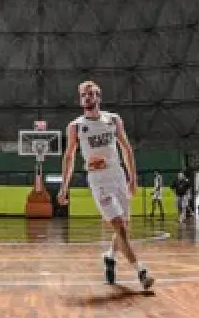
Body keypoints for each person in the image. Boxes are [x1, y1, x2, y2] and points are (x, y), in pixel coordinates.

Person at [58, 80, 154, 290]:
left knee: (124, 228)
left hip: (117, 176)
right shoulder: (75, 126)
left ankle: (110, 256)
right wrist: (64, 187)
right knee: (119, 225)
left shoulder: (113, 119)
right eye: (83, 94)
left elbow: (127, 149)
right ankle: (141, 271)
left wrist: (133, 178)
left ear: (98, 97)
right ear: (80, 99)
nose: (87, 97)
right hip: (98, 180)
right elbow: (69, 158)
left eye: (91, 94)